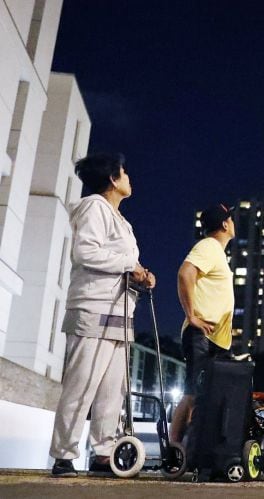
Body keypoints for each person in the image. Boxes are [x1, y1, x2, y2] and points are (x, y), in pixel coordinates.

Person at [49, 153, 155, 477]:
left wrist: (141, 275)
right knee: (81, 384)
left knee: (113, 389)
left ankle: (103, 453)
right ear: (111, 179)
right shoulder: (95, 206)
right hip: (93, 307)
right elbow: (86, 251)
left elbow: (121, 261)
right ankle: (64, 455)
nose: (128, 177)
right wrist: (130, 266)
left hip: (120, 311)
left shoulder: (122, 220)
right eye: (123, 171)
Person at [169, 204, 236, 444]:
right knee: (193, 394)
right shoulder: (209, 246)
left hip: (214, 338)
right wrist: (192, 315)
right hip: (202, 336)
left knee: (203, 396)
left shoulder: (217, 252)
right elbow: (185, 273)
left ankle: (193, 449)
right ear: (225, 224)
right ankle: (175, 449)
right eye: (231, 218)